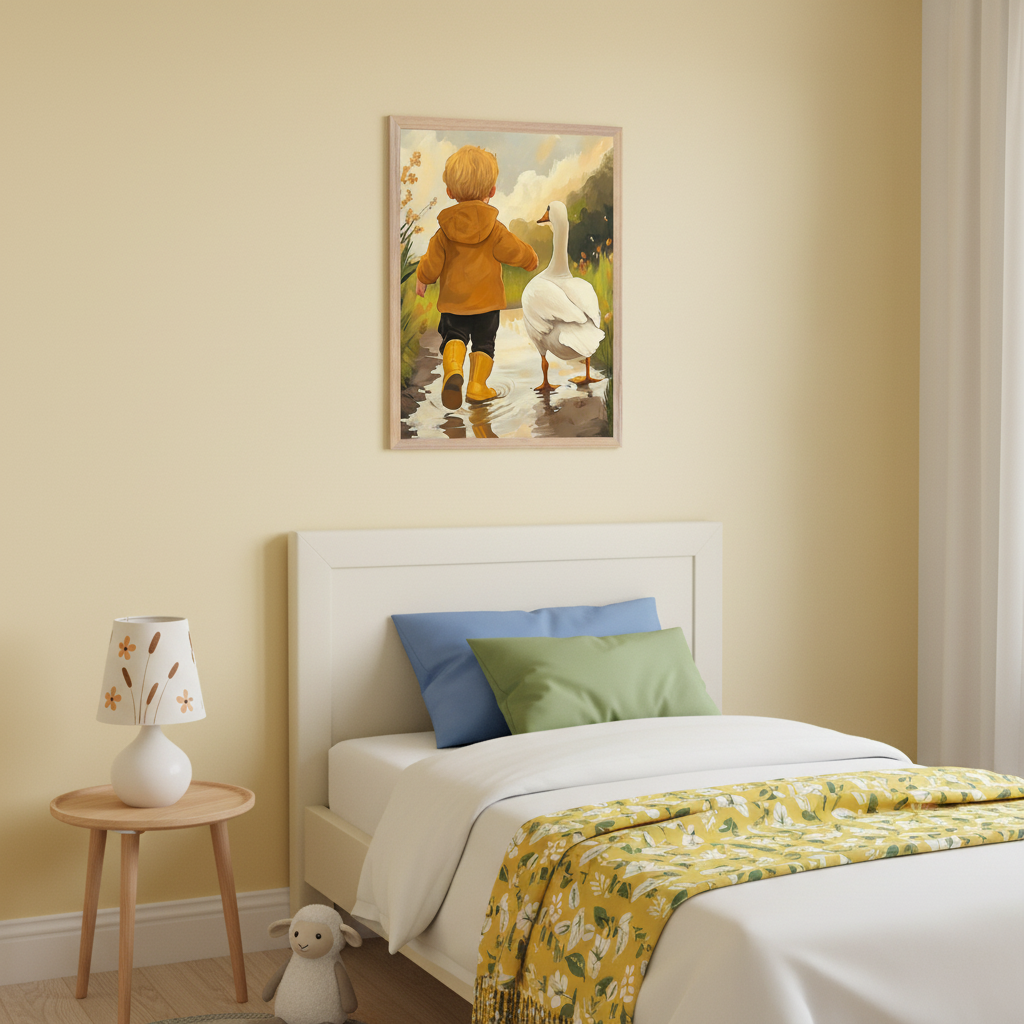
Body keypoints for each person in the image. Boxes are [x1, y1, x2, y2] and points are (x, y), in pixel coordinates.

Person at [416, 145, 538, 409]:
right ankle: (477, 386)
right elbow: (515, 251)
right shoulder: (494, 229)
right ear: (492, 191)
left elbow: (431, 264)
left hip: (454, 304)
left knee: (454, 337)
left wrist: (422, 278)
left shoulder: (443, 233)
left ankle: (452, 372)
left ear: (449, 191)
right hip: (487, 304)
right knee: (484, 343)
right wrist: (531, 259)